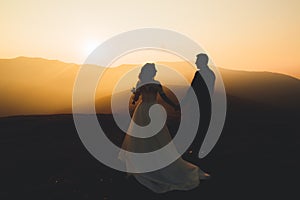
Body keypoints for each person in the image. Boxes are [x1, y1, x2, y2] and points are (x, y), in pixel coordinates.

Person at [119, 63, 208, 193]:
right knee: (158, 137)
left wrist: (134, 94)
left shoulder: (141, 84)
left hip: (142, 111)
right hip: (154, 111)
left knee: (141, 137)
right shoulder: (157, 84)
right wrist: (175, 105)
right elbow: (164, 98)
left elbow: (135, 99)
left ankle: (143, 162)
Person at [182, 53, 215, 166]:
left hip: (197, 105)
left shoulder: (199, 73)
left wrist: (183, 103)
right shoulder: (211, 74)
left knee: (194, 126)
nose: (195, 63)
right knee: (202, 127)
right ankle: (198, 149)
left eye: (197, 60)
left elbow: (192, 89)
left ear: (202, 61)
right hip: (207, 104)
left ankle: (194, 151)